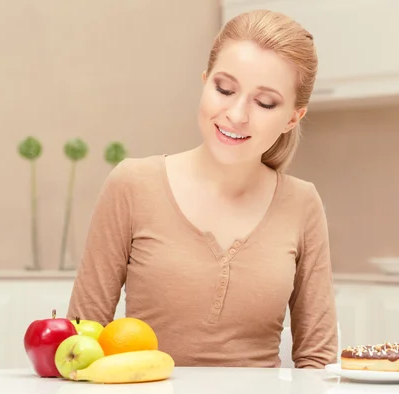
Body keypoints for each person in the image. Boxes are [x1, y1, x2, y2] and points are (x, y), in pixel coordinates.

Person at [66, 9, 338, 369]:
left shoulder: (302, 203)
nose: (237, 114)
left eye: (264, 102)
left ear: (292, 117)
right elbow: (79, 344)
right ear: (205, 81)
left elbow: (317, 361)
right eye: (224, 89)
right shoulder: (132, 185)